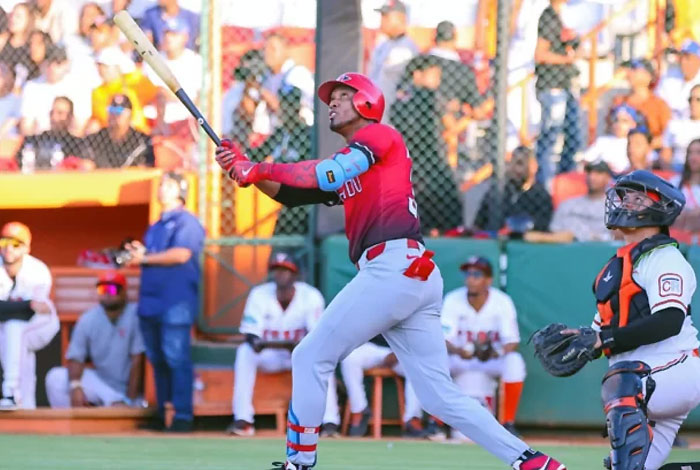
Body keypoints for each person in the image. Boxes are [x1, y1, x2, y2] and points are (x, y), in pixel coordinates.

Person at [214, 72, 566, 470]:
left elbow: (328, 174)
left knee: (309, 356)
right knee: (438, 396)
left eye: (342, 95)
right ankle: (533, 461)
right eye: (332, 97)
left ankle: (300, 462)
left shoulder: (380, 135)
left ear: (366, 103)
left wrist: (257, 168)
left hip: (392, 267)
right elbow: (293, 195)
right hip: (410, 272)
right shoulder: (357, 161)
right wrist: (242, 169)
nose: (332, 102)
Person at [537, 170, 700, 470]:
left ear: (660, 208)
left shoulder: (665, 258)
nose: (626, 203)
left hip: (676, 368)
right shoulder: (617, 266)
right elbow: (602, 332)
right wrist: (582, 341)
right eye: (625, 197)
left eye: (638, 198)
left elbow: (669, 320)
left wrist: (604, 340)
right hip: (644, 381)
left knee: (621, 381)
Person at [123, 171, 205, 432]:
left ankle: (182, 415)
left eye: (168, 185)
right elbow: (155, 255)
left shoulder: (187, 221)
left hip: (175, 302)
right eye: (161, 184)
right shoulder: (156, 225)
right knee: (157, 359)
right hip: (151, 302)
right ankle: (163, 412)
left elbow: (181, 254)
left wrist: (145, 258)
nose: (162, 189)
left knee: (176, 358)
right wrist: (141, 253)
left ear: (181, 190)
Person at [228, 252, 340, 438]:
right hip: (270, 356)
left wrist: (297, 346)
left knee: (323, 358)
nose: (280, 274)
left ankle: (329, 422)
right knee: (244, 352)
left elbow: (317, 337)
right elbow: (251, 336)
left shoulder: (310, 296)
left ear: (295, 275)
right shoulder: (259, 294)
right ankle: (243, 420)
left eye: (285, 270)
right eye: (277, 270)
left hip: (299, 357)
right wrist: (259, 342)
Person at [441, 257, 526, 438]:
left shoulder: (502, 301)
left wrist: (497, 352)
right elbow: (443, 340)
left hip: (490, 360)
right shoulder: (453, 299)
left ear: (488, 280)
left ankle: (508, 423)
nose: (471, 279)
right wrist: (458, 351)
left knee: (514, 361)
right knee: (435, 361)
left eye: (477, 274)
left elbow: (512, 341)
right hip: (460, 358)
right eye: (468, 274)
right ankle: (436, 424)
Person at [44, 270, 146, 408]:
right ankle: (74, 421)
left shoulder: (136, 315)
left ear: (124, 292)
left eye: (113, 288)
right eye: (102, 289)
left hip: (130, 391)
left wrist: (129, 401)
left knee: (132, 404)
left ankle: (121, 406)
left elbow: (137, 361)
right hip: (103, 383)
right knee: (55, 377)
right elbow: (76, 357)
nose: (107, 293)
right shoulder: (89, 318)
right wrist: (76, 386)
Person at [0, 221, 58, 410]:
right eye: (4, 241)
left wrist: (13, 307)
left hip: (42, 324)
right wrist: (24, 305)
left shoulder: (37, 270)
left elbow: (32, 311)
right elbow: (26, 307)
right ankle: (26, 405)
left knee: (15, 329)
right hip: (8, 327)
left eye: (16, 243)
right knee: (12, 337)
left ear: (27, 247)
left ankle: (10, 392)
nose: (9, 248)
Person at [534, 0, 582, 187]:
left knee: (572, 137)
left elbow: (575, 45)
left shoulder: (563, 16)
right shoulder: (549, 17)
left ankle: (565, 182)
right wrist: (566, 59)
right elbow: (541, 54)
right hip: (552, 86)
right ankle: (545, 185)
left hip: (564, 85)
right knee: (551, 138)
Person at [340, 339, 426, 438]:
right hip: (368, 347)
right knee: (349, 358)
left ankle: (412, 419)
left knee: (416, 366)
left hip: (401, 349)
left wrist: (398, 352)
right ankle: (359, 410)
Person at [525, 159, 613, 243]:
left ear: (608, 178)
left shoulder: (614, 208)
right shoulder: (567, 204)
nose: (592, 177)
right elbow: (554, 231)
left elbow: (614, 238)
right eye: (589, 172)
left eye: (598, 173)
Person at [474, 145, 553, 234]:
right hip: (493, 238)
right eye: (514, 163)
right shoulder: (496, 192)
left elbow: (543, 229)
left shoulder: (541, 196)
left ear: (533, 167)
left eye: (521, 163)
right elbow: (477, 224)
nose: (517, 169)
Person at [368, 0, 418, 123]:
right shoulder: (383, 45)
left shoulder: (405, 47)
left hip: (394, 117)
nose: (382, 21)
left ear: (400, 18)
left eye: (386, 17)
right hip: (376, 113)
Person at [15, 96, 89, 169]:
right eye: (52, 112)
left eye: (60, 113)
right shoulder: (36, 139)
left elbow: (88, 165)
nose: (54, 117)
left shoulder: (77, 144)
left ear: (70, 117)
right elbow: (17, 161)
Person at [612, 59, 671, 150]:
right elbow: (610, 131)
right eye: (629, 69)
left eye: (634, 69)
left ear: (648, 75)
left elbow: (667, 136)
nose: (629, 73)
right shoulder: (619, 101)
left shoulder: (659, 105)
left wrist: (642, 146)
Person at [85, 93, 154, 168]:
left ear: (130, 115)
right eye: (111, 109)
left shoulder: (142, 141)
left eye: (119, 110)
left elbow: (147, 167)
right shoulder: (95, 139)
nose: (114, 114)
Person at [261, 33, 315, 127]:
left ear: (285, 50)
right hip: (274, 130)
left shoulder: (298, 73)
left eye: (273, 48)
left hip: (298, 128)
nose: (268, 53)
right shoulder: (265, 76)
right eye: (265, 49)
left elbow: (290, 109)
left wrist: (264, 93)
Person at [583, 104, 643, 175]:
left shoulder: (637, 142)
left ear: (633, 124)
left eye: (624, 121)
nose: (619, 124)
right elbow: (586, 160)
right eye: (616, 120)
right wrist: (602, 166)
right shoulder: (602, 142)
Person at [656, 40, 700, 119]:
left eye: (688, 58)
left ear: (698, 60)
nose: (683, 62)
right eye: (681, 57)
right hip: (668, 122)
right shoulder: (670, 74)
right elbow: (657, 101)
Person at [661, 84, 700, 171]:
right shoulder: (674, 124)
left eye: (698, 100)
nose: (693, 103)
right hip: (677, 169)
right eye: (690, 99)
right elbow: (665, 154)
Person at [672, 138, 700, 233]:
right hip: (678, 236)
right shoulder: (675, 182)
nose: (693, 157)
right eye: (690, 153)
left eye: (698, 152)